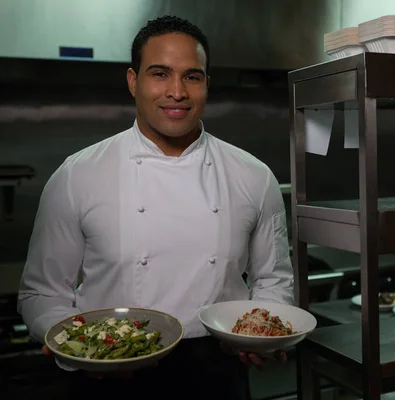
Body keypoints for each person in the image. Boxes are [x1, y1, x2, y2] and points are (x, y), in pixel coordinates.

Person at [17, 15, 294, 400]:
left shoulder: (253, 175)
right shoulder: (77, 174)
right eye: (160, 74)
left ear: (207, 85)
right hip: (111, 371)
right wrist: (80, 347)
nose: (176, 92)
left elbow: (272, 280)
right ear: (134, 81)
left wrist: (260, 333)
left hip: (218, 371)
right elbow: (41, 293)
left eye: (192, 76)